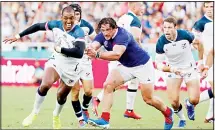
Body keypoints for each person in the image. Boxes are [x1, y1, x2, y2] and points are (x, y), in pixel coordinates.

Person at [4, 5, 86, 129]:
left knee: (61, 96)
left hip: (72, 67)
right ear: (61, 17)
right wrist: (18, 36)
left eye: (71, 18)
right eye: (66, 18)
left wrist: (60, 49)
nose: (69, 21)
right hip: (57, 61)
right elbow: (37, 26)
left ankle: (56, 115)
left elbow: (79, 53)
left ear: (75, 18)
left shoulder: (78, 31)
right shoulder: (55, 25)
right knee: (45, 84)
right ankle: (34, 113)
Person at [86, 17, 174, 130]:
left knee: (148, 99)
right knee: (108, 85)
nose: (105, 33)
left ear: (114, 28)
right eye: (103, 30)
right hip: (127, 66)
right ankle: (104, 120)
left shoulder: (123, 35)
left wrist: (97, 55)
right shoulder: (103, 34)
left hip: (142, 66)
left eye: (108, 30)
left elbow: (116, 55)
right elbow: (93, 46)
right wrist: (88, 50)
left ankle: (168, 112)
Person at [92, 2, 144, 119]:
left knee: (131, 80)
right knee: (114, 83)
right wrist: (140, 53)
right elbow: (135, 38)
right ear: (134, 6)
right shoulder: (135, 20)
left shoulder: (123, 17)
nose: (143, 8)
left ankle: (129, 110)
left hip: (116, 51)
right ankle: (98, 100)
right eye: (141, 5)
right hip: (124, 55)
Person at [155, 16, 201, 128]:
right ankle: (182, 119)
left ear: (175, 27)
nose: (166, 30)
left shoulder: (185, 35)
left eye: (169, 27)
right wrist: (171, 69)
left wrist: (201, 61)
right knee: (174, 102)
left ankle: (189, 104)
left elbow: (199, 43)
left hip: (189, 67)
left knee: (195, 99)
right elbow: (158, 64)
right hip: (173, 70)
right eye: (164, 27)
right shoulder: (161, 42)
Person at [69, 3, 96, 127]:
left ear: (80, 15)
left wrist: (94, 50)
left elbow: (96, 40)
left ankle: (85, 108)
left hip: (85, 61)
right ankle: (80, 117)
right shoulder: (64, 25)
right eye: (73, 14)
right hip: (70, 63)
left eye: (77, 14)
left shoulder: (86, 26)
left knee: (89, 91)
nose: (75, 16)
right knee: (75, 91)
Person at [192, 1, 214, 123]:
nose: (210, 9)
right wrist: (201, 60)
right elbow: (195, 43)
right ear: (204, 8)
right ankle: (193, 101)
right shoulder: (201, 23)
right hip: (209, 60)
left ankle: (210, 116)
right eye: (208, 6)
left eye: (212, 6)